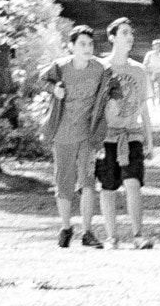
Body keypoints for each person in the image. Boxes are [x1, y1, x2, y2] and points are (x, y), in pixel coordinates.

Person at [41, 25, 113, 249]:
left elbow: (114, 88)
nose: (87, 48)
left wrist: (113, 106)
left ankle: (87, 232)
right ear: (71, 46)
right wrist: (54, 90)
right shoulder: (61, 68)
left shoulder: (101, 69)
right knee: (64, 183)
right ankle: (65, 227)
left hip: (88, 135)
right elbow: (41, 80)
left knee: (88, 182)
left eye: (90, 44)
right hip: (62, 134)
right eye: (82, 44)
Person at [96, 17, 156, 249]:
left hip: (132, 135)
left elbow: (144, 108)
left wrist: (150, 139)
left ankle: (138, 235)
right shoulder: (101, 68)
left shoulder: (139, 70)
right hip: (106, 138)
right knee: (108, 187)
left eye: (131, 32)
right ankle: (112, 237)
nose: (129, 37)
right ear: (112, 37)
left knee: (133, 183)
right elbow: (94, 107)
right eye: (124, 33)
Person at [143, 38, 160, 107]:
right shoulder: (149, 54)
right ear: (153, 47)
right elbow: (145, 64)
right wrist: (148, 71)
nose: (158, 47)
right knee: (152, 88)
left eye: (159, 46)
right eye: (156, 45)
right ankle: (153, 103)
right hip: (151, 72)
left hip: (159, 72)